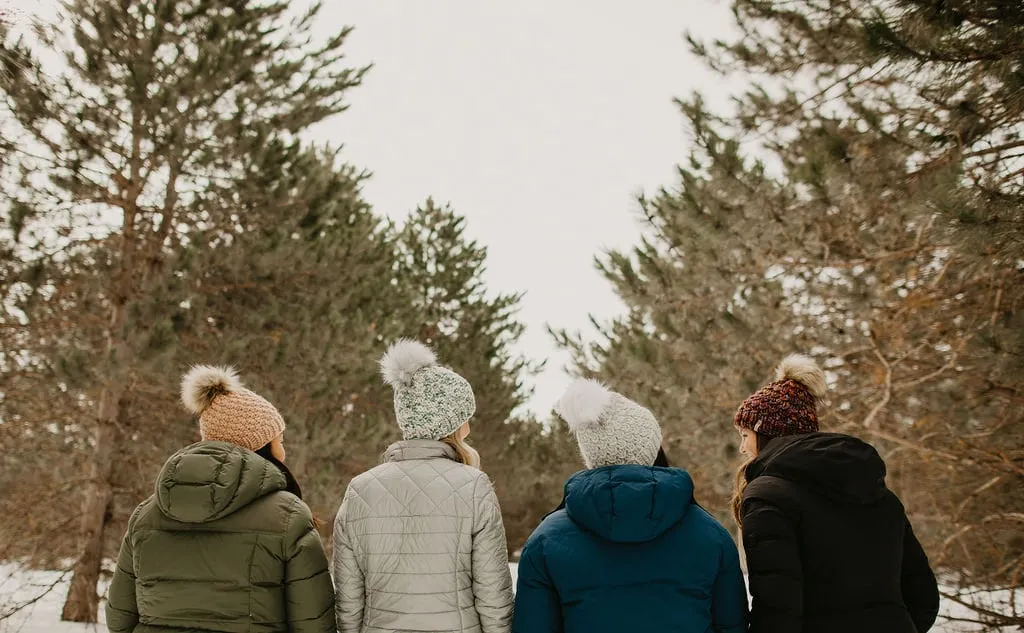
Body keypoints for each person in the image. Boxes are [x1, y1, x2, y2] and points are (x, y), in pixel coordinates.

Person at [106, 366, 334, 633]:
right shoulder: (288, 516)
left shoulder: (146, 515)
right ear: (257, 444)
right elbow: (314, 624)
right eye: (279, 440)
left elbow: (119, 620)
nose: (283, 452)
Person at [512, 379, 748, 633]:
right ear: (652, 447)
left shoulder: (545, 541)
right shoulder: (711, 536)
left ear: (590, 453)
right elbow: (731, 626)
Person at [733, 354, 940, 633]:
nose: (743, 448)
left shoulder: (767, 496)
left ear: (769, 432)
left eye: (745, 435)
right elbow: (923, 595)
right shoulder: (878, 493)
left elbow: (776, 607)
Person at [333, 339, 513, 633]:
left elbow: (349, 603)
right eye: (465, 418)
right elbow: (493, 596)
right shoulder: (473, 486)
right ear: (452, 424)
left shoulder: (360, 490)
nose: (468, 426)